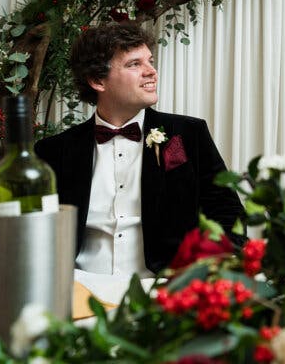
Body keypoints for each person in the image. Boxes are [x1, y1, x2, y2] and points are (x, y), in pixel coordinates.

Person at [35, 24, 244, 276]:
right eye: (135, 64)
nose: (151, 72)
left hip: (160, 292)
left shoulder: (186, 135)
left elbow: (229, 215)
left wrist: (196, 275)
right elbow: (36, 234)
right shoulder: (54, 151)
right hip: (77, 290)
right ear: (97, 80)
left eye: (150, 61)